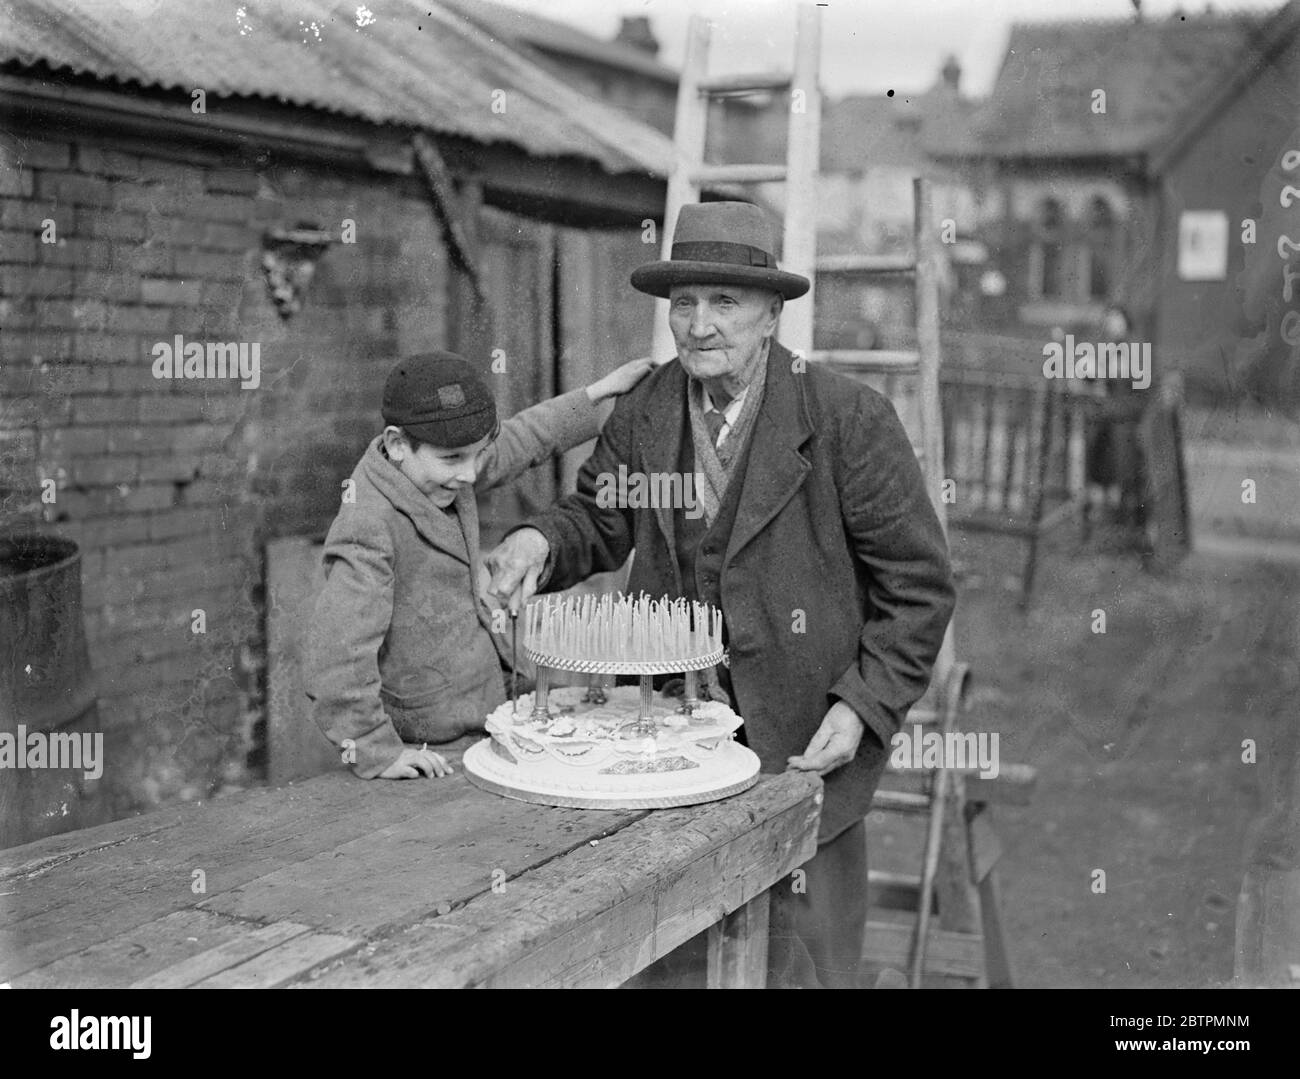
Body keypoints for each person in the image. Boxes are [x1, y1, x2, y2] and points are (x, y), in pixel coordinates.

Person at [485, 202, 955, 987]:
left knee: (805, 965)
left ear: (771, 314)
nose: (699, 325)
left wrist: (864, 704)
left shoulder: (846, 420)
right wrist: (540, 539)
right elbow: (598, 517)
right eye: (684, 303)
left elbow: (920, 589)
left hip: (804, 751)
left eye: (724, 303)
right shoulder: (647, 410)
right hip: (670, 748)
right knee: (669, 958)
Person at [305, 350, 653, 781]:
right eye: (454, 460)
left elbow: (522, 438)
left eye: (477, 455)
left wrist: (597, 394)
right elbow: (339, 655)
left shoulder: (437, 468)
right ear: (397, 444)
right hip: (428, 743)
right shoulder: (368, 523)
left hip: (485, 712)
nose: (471, 475)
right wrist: (377, 752)